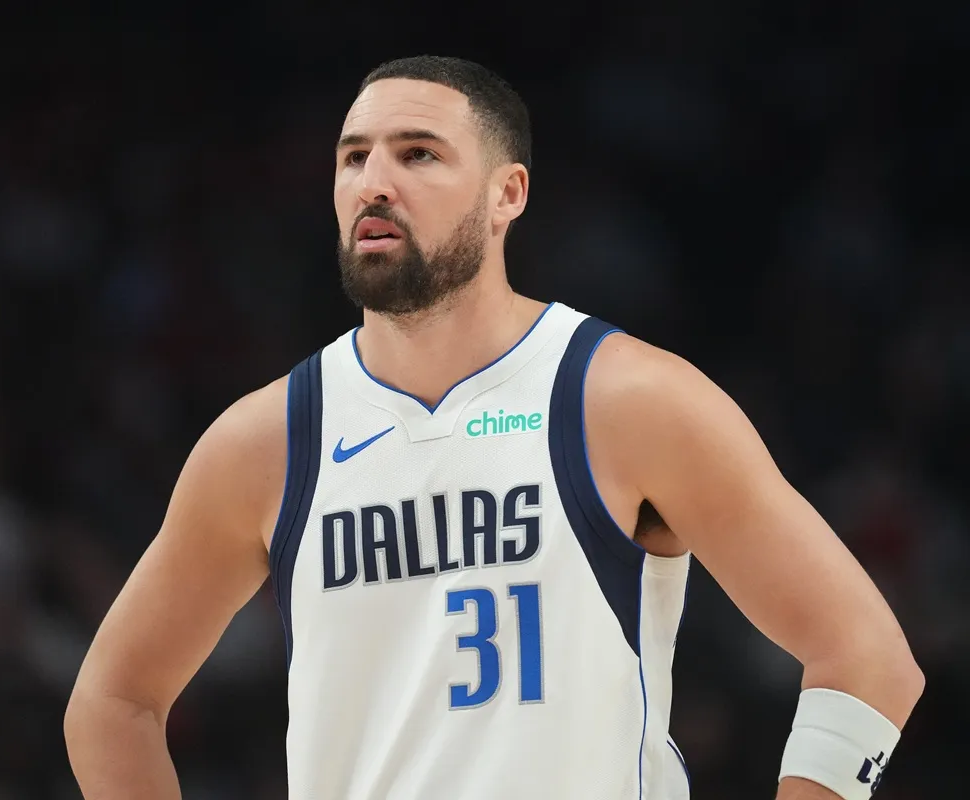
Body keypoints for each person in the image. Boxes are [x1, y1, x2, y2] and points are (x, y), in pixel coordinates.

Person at [64, 55, 924, 800]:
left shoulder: (627, 401)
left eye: (418, 155)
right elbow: (114, 701)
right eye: (353, 157)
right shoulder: (267, 442)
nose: (374, 182)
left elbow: (866, 657)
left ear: (507, 192)